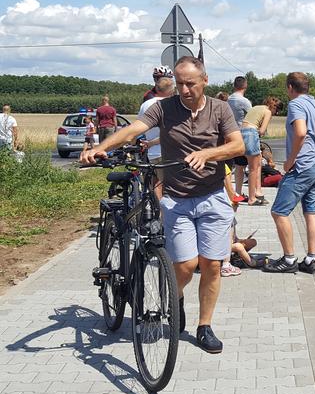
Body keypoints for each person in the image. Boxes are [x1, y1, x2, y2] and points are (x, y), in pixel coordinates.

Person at [81, 56, 244, 354]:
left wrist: (208, 154)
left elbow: (237, 145)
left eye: (190, 83)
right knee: (184, 265)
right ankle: (175, 298)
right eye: (179, 83)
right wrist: (101, 147)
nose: (183, 89)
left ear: (204, 81)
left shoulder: (220, 109)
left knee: (211, 265)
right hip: (177, 198)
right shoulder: (164, 107)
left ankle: (204, 326)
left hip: (212, 197)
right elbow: (133, 130)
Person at [263, 72, 315, 274]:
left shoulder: (296, 104)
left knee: (279, 211)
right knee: (311, 211)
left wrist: (290, 160)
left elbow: (301, 132)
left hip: (302, 167)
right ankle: (311, 259)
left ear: (290, 87)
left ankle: (289, 259)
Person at [137, 76, 176, 199]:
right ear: (172, 90)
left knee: (156, 184)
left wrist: (147, 143)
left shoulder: (146, 105)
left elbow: (138, 128)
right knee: (172, 187)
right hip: (170, 151)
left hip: (153, 153)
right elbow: (172, 132)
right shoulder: (173, 104)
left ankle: (159, 212)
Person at [241, 96, 281, 206]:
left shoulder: (256, 107)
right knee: (253, 168)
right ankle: (252, 198)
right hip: (251, 133)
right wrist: (258, 132)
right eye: (276, 111)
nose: (275, 114)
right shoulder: (267, 112)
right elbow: (262, 131)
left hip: (241, 133)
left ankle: (258, 192)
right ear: (273, 108)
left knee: (257, 164)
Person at [227, 76, 252, 199]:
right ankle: (243, 192)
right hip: (242, 135)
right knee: (245, 166)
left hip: (229, 134)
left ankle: (234, 192)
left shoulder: (228, 100)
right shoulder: (244, 101)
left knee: (232, 166)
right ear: (245, 86)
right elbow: (252, 117)